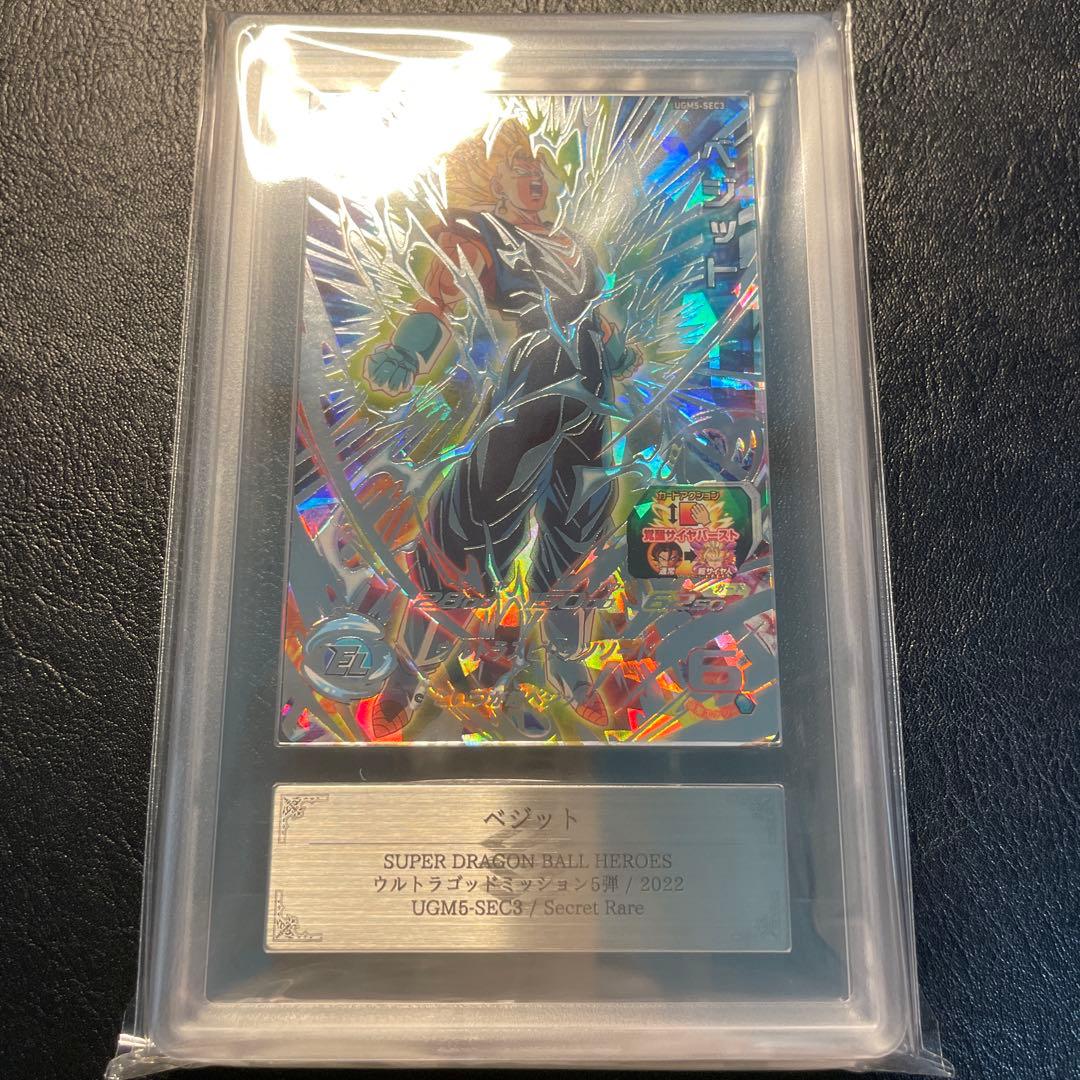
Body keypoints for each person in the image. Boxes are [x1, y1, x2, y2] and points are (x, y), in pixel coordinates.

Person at [366, 119, 639, 729]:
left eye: (539, 166)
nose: (534, 176)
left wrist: (617, 350)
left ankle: (566, 662)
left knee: (580, 523)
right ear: (496, 181)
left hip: (592, 396)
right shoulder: (480, 235)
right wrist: (408, 351)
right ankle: (412, 669)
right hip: (532, 383)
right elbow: (438, 303)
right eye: (519, 167)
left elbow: (597, 317)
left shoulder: (576, 245)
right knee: (478, 517)